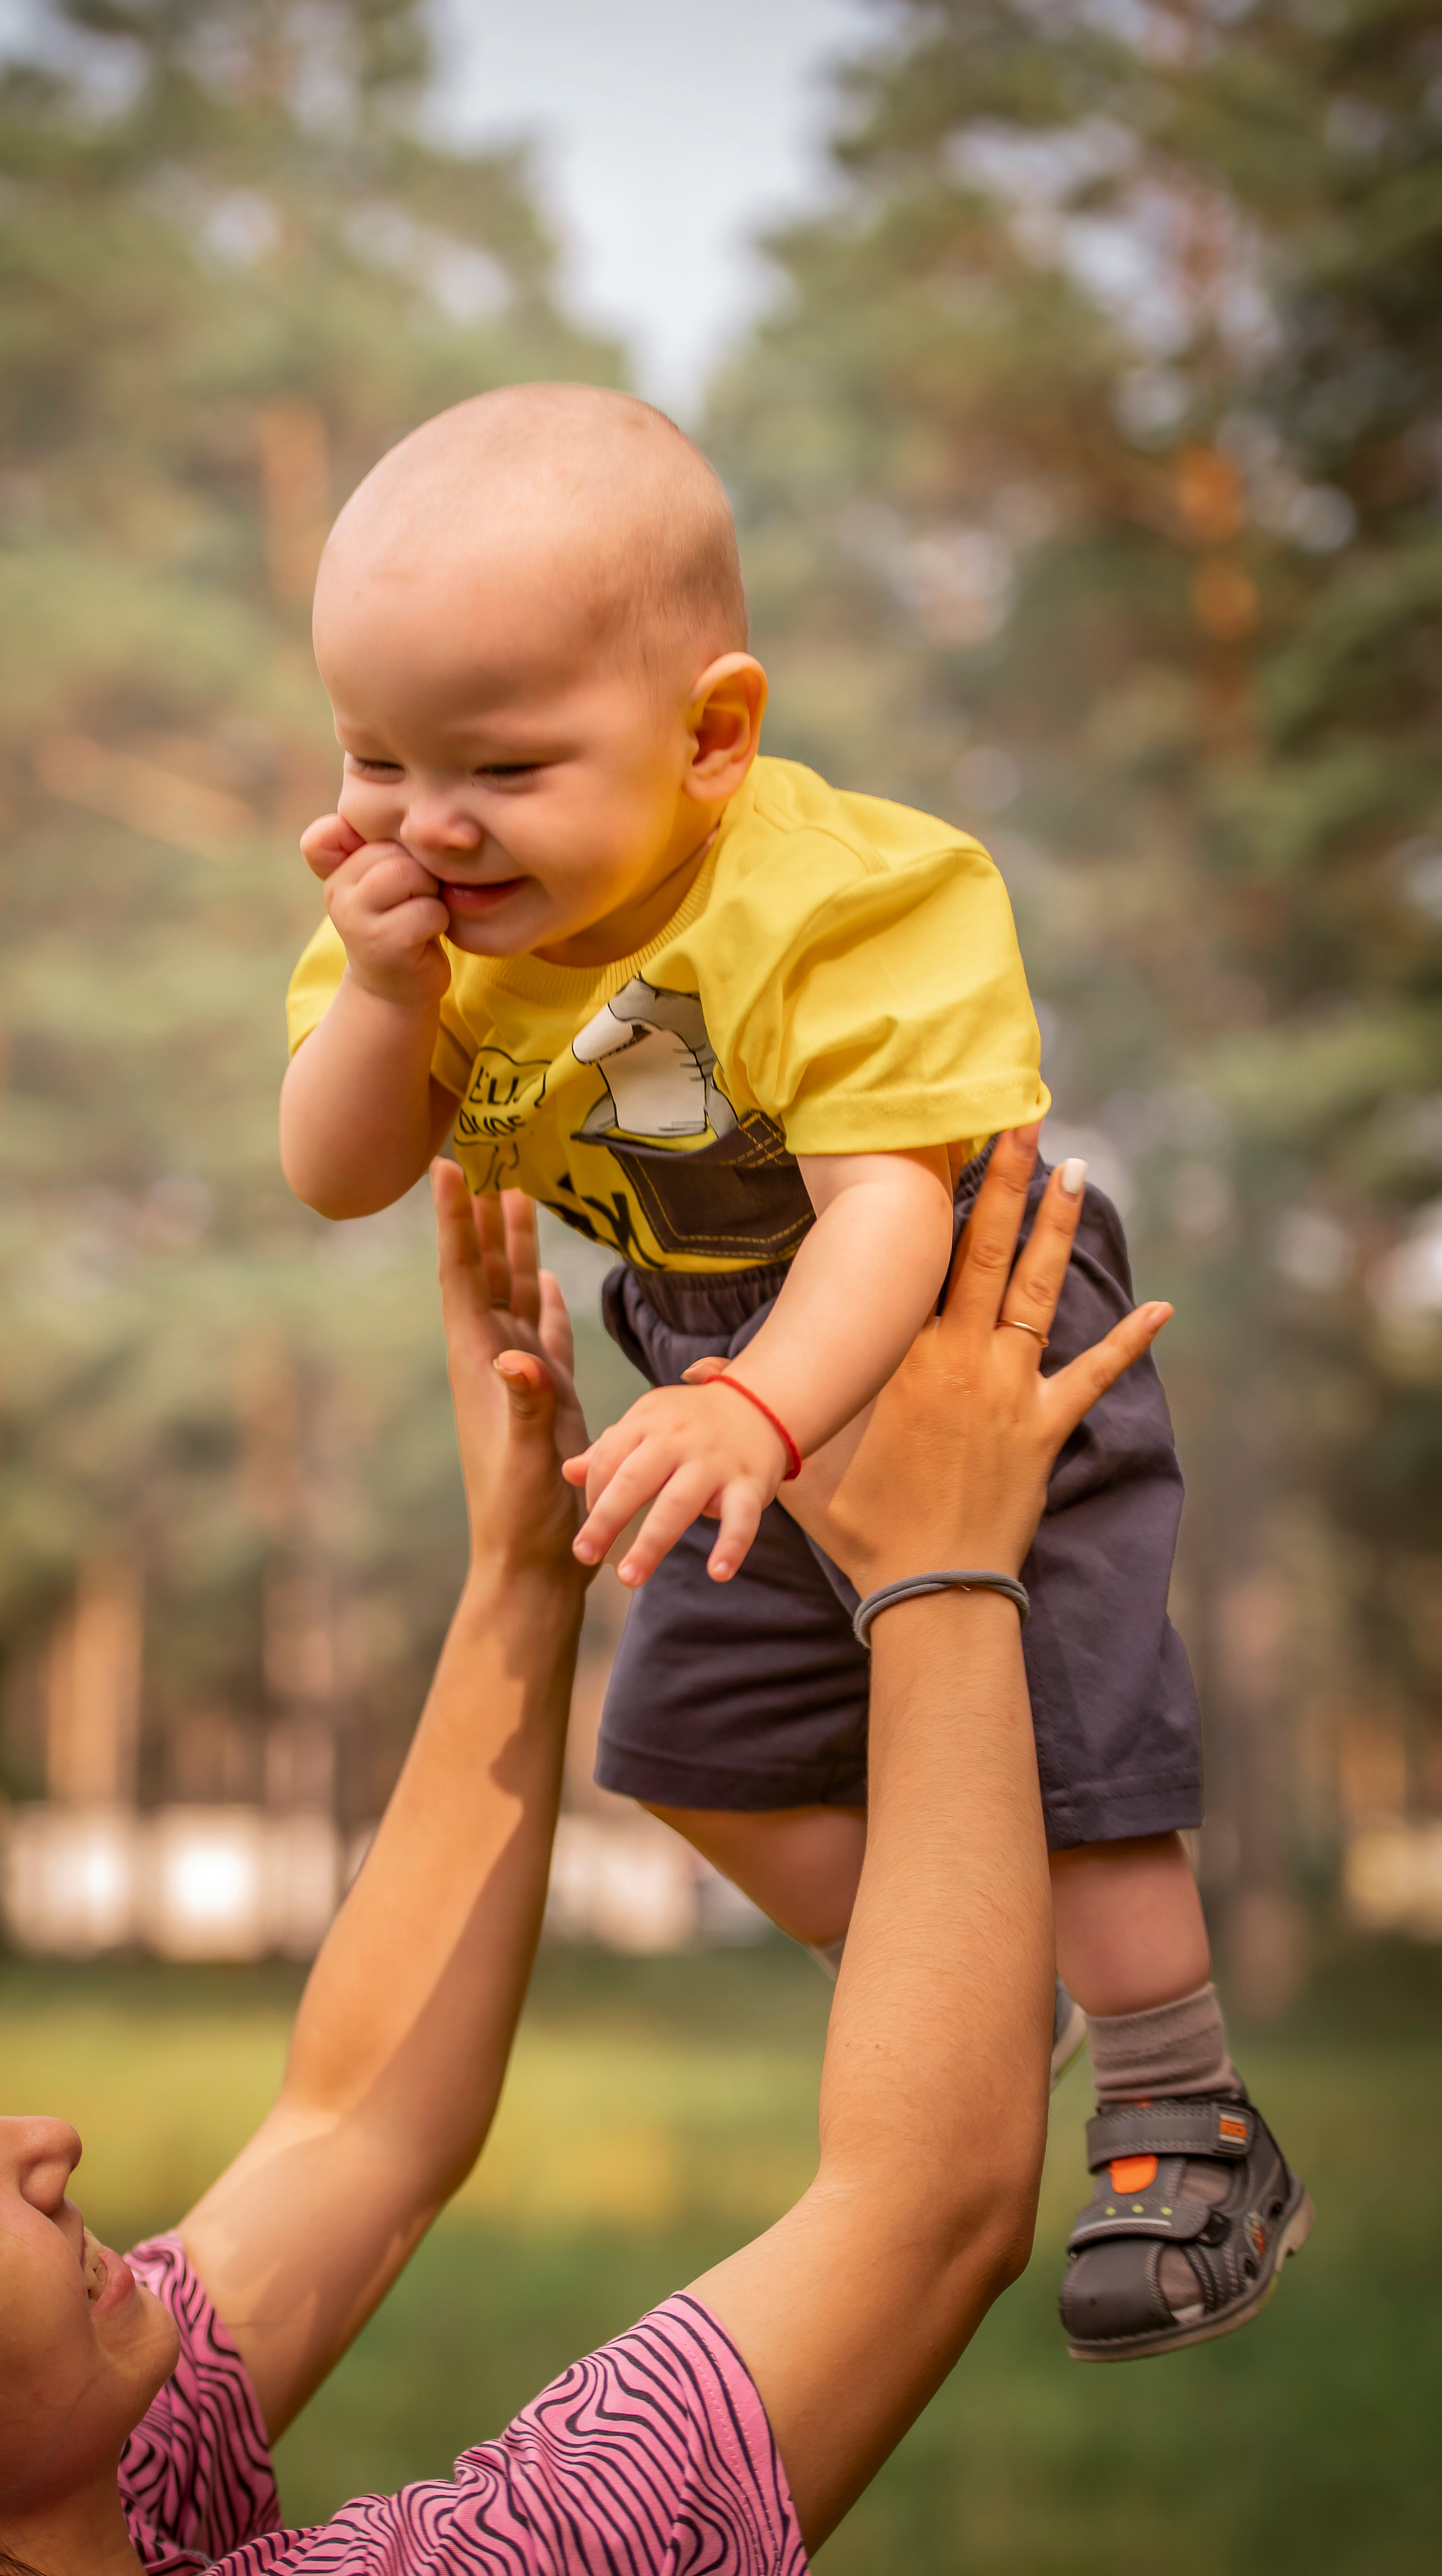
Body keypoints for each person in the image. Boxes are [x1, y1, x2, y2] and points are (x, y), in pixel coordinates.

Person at [0, 1135, 1307, 2575]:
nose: (37, 2138)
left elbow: (355, 2124)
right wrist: (945, 1563)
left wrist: (516, 1572)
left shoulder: (83, 2483)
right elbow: (925, 2206)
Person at [277, 382, 1303, 2357]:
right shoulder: (430, 940)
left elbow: (891, 1217)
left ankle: (1185, 2106)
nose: (428, 822)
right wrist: (393, 994)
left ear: (713, 737)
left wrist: (763, 1402)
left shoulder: (840, 897)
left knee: (1066, 1743)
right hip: (705, 1362)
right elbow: (336, 1174)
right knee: (689, 1750)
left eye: (500, 763)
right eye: (375, 757)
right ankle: (988, 1991)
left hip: (957, 1323)